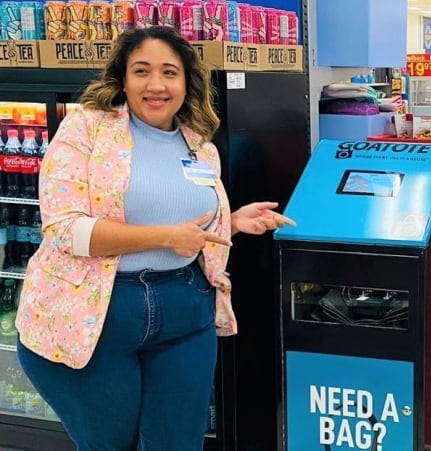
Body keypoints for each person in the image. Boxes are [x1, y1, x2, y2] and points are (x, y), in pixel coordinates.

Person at [14, 26, 295, 450]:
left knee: (179, 443)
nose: (156, 85)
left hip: (185, 308)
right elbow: (64, 228)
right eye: (141, 71)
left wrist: (232, 222)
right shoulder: (84, 129)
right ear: (122, 79)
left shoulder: (199, 144)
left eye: (169, 72)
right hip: (101, 312)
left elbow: (187, 225)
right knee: (112, 443)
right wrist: (164, 238)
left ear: (187, 82)